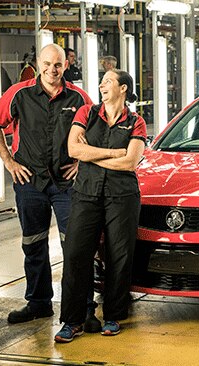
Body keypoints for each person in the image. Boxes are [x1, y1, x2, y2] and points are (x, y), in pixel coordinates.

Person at [0, 44, 93, 324]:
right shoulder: (18, 93)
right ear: (37, 63)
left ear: (65, 66)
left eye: (57, 65)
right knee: (33, 244)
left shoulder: (79, 98)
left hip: (67, 183)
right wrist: (9, 162)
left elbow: (98, 131)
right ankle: (38, 303)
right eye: (46, 64)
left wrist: (82, 163)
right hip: (29, 181)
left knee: (76, 247)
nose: (51, 70)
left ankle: (82, 307)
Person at [55, 70, 146, 343]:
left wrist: (91, 156)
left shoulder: (136, 122)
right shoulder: (86, 112)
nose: (101, 85)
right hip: (86, 194)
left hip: (122, 196)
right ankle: (72, 322)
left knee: (119, 256)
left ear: (123, 89)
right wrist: (114, 153)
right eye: (101, 82)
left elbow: (131, 162)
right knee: (75, 254)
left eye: (107, 81)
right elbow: (73, 149)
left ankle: (114, 317)